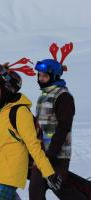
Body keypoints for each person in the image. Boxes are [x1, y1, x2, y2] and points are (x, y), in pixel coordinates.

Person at [0, 59, 62, 200]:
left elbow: (33, 145)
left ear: (7, 89)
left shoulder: (20, 112)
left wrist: (48, 172)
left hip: (7, 177)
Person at [29, 42, 86, 199]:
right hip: (41, 155)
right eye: (39, 75)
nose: (41, 79)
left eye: (45, 76)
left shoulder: (63, 96)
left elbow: (64, 126)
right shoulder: (44, 95)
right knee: (35, 193)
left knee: (62, 190)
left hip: (57, 155)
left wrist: (51, 153)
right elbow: (41, 124)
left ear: (53, 77)